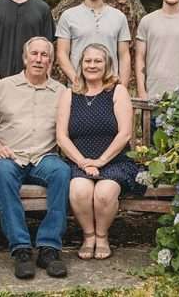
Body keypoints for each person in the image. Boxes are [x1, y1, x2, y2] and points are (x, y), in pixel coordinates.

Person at [0, 37, 70, 279]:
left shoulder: (61, 92)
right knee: (2, 172)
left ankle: (49, 248)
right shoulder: (4, 87)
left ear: (51, 61)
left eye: (44, 55)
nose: (39, 59)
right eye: (35, 54)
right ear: (25, 58)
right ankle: (20, 249)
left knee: (62, 172)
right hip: (9, 155)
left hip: (44, 157)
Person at [57, 43, 146, 260]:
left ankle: (102, 235)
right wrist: (83, 162)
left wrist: (100, 161)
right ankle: (88, 236)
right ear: (81, 65)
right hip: (79, 160)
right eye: (87, 61)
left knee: (104, 192)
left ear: (107, 65)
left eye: (98, 61)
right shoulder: (70, 94)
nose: (92, 65)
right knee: (79, 190)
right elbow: (61, 137)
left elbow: (125, 134)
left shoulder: (117, 91)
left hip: (115, 160)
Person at [56, 0, 131, 87]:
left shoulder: (119, 17)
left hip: (109, 87)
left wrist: (122, 87)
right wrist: (76, 80)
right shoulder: (68, 16)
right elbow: (62, 53)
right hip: (79, 87)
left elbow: (124, 56)